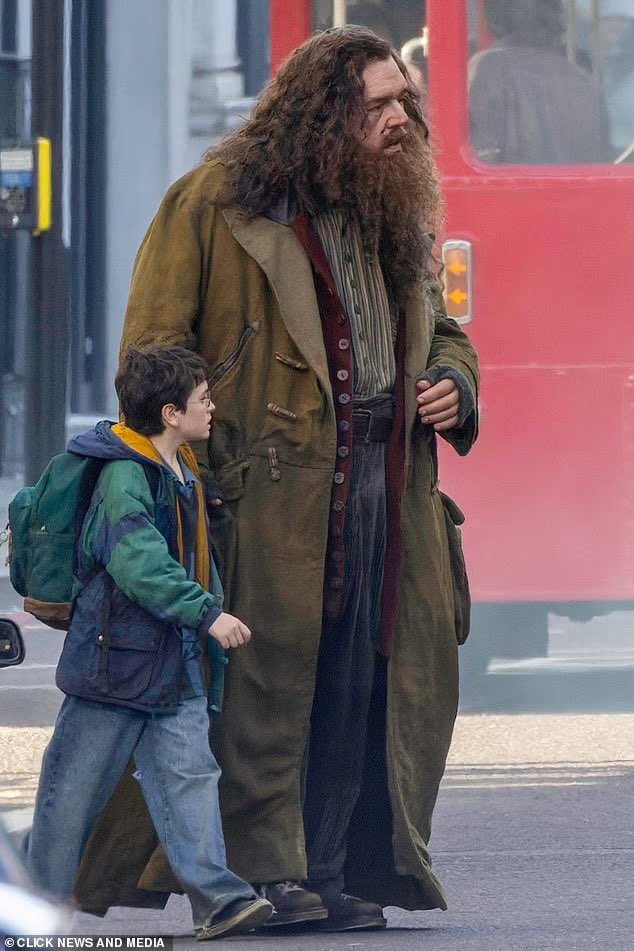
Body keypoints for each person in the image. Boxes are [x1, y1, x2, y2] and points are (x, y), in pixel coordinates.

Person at [111, 26, 479, 932]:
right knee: (267, 683)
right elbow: (150, 357)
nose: (402, 120)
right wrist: (193, 471)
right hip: (259, 494)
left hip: (382, 489)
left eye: (405, 102)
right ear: (323, 114)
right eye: (379, 105)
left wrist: (454, 386)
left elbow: (446, 334)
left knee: (360, 680)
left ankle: (331, 864)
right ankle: (260, 873)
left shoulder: (391, 206)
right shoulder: (211, 206)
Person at [26, 347, 273, 940]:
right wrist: (207, 614)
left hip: (169, 661)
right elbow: (137, 561)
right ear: (170, 412)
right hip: (113, 665)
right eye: (202, 399)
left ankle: (218, 898)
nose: (212, 407)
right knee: (71, 795)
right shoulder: (124, 475)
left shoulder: (179, 465)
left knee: (190, 777)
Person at [470, 0, 609, 163]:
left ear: (495, 18)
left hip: (511, 186)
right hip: (574, 187)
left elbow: (481, 151)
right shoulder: (581, 78)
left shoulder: (487, 68)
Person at [600, 0, 634, 159]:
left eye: (622, 20)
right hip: (601, 160)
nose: (615, 25)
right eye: (608, 19)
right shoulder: (588, 66)